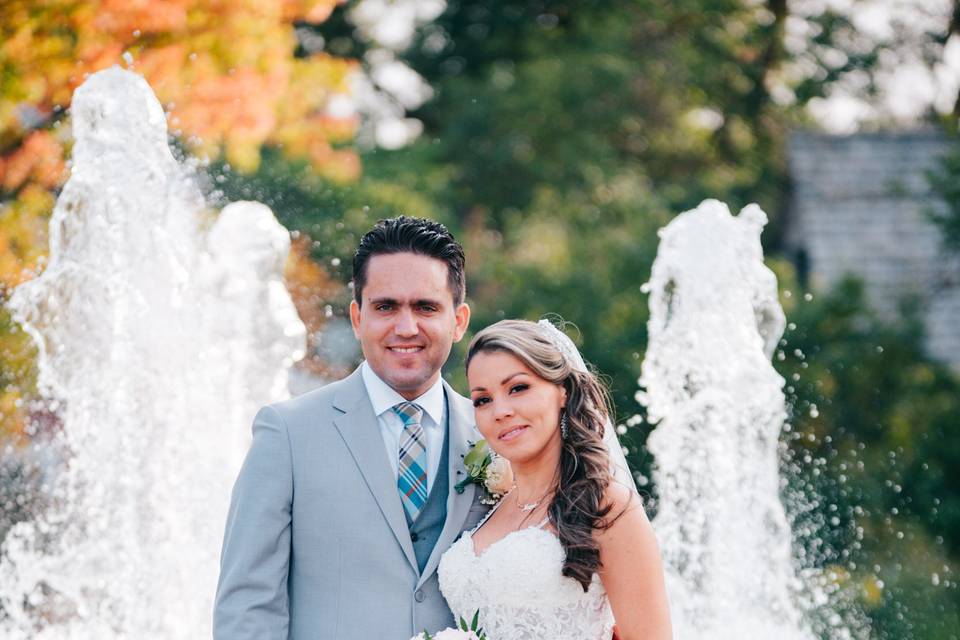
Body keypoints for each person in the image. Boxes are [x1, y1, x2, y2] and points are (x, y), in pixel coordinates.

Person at [214, 217, 489, 640]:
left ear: (458, 320)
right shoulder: (286, 433)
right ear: (358, 317)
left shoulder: (496, 436)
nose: (405, 327)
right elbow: (248, 607)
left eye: (425, 307)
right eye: (385, 307)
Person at [438, 319, 673, 640]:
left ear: (562, 391)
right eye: (483, 399)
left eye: (518, 388)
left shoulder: (607, 505)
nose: (500, 411)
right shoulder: (490, 503)